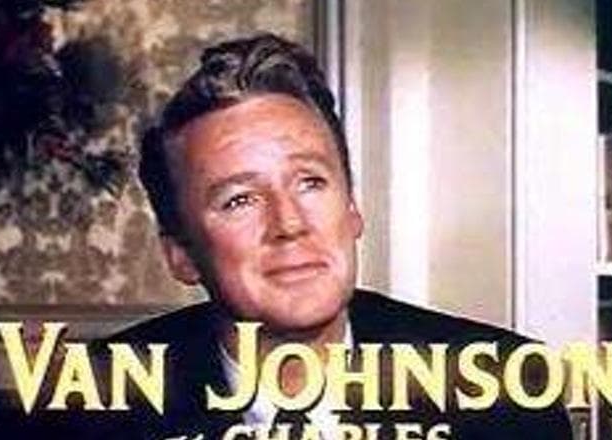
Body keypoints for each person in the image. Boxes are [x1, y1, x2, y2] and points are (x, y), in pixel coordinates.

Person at [109, 33, 573, 439]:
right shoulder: (91, 411)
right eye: (240, 200)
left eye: (310, 182)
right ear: (181, 254)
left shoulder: (503, 394)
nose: (290, 224)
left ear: (352, 209)